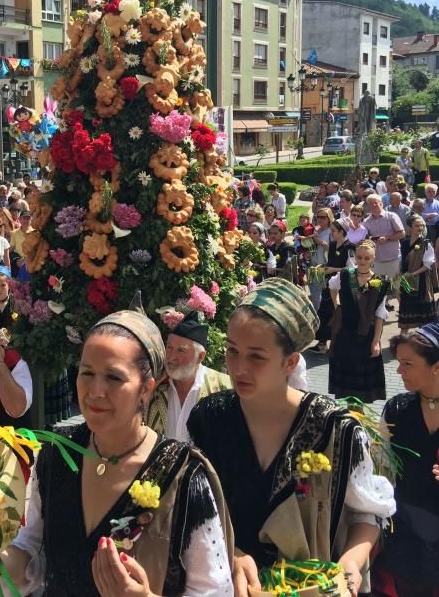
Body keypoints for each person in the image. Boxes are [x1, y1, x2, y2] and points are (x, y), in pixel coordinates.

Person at [0, 296, 234, 596]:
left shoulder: (183, 476)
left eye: (114, 377)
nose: (95, 391)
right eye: (86, 373)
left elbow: (215, 590)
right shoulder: (57, 455)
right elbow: (32, 547)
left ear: (146, 389)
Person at [188, 279, 395, 597]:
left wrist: (352, 559)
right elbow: (194, 508)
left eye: (256, 357)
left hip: (312, 587)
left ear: (290, 362)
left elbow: (367, 510)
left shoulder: (333, 427)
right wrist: (231, 553)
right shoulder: (209, 419)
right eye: (232, 351)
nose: (239, 368)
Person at [371, 326, 439, 597]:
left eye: (408, 364)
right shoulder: (397, 409)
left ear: (436, 366)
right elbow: (380, 469)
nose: (399, 371)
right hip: (405, 533)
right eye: (399, 363)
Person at [147, 312, 231, 441]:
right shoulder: (155, 386)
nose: (171, 357)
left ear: (200, 356)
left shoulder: (224, 387)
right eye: (169, 347)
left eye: (181, 350)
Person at [328, 240, 388, 402]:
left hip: (365, 335)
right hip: (345, 334)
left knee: (361, 391)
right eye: (359, 257)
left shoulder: (381, 281)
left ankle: (359, 417)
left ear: (373, 259)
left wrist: (376, 341)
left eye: (366, 258)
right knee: (346, 389)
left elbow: (380, 314)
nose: (362, 261)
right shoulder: (346, 274)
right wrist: (337, 306)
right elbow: (331, 285)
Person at [310, 218, 354, 354]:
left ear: (342, 232)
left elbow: (352, 269)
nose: (332, 233)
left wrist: (334, 269)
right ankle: (322, 343)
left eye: (334, 231)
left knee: (338, 314)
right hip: (329, 284)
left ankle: (339, 344)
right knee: (324, 312)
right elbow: (330, 262)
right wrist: (322, 267)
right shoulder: (333, 245)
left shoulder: (350, 247)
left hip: (343, 285)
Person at [398, 215, 437, 333]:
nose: (420, 228)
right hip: (406, 280)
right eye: (417, 226)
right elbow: (400, 260)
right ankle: (402, 340)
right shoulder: (404, 243)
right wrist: (400, 275)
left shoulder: (426, 243)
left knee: (423, 316)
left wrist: (413, 274)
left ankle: (425, 338)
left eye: (422, 225)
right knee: (406, 310)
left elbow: (428, 264)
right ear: (410, 227)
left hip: (421, 281)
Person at [363, 195, 404, 295]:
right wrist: (370, 240)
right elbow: (365, 239)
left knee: (397, 287)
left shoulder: (391, 216)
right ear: (368, 206)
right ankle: (382, 309)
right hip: (376, 261)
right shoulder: (366, 222)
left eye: (375, 202)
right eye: (370, 203)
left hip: (393, 259)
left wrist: (387, 238)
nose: (373, 205)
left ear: (381, 203)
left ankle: (403, 309)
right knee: (377, 289)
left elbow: (402, 234)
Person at [308, 207, 333, 310]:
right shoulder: (315, 229)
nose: (320, 219)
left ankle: (318, 313)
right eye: (318, 217)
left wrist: (321, 242)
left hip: (322, 264)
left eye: (323, 217)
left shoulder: (331, 231)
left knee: (318, 290)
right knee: (312, 288)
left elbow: (332, 249)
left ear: (329, 218)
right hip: (312, 262)